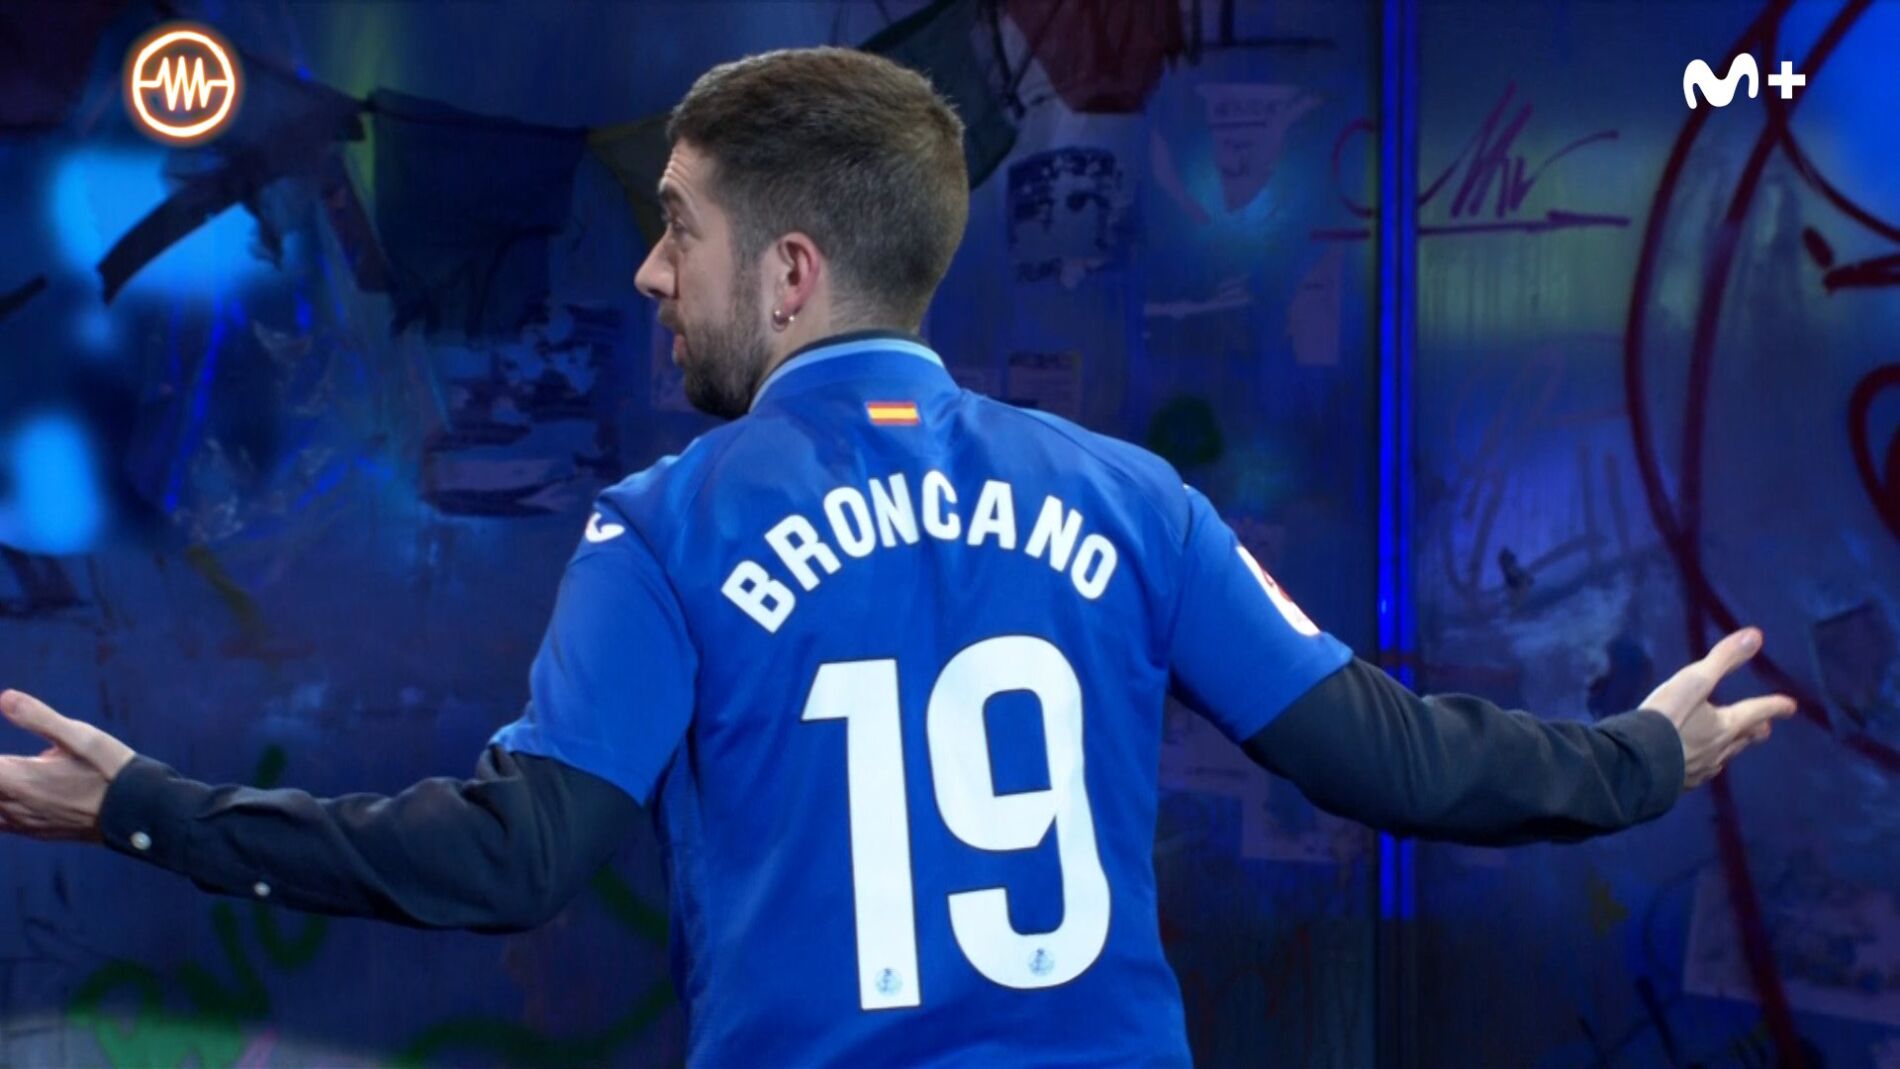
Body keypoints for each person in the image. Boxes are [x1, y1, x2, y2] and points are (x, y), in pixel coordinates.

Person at [0, 46, 1795, 1068]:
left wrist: (142, 804)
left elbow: (508, 859)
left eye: (677, 230)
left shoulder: (666, 527)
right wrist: (1647, 753)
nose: (648, 272)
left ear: (789, 274)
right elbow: (1391, 758)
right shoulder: (1134, 503)